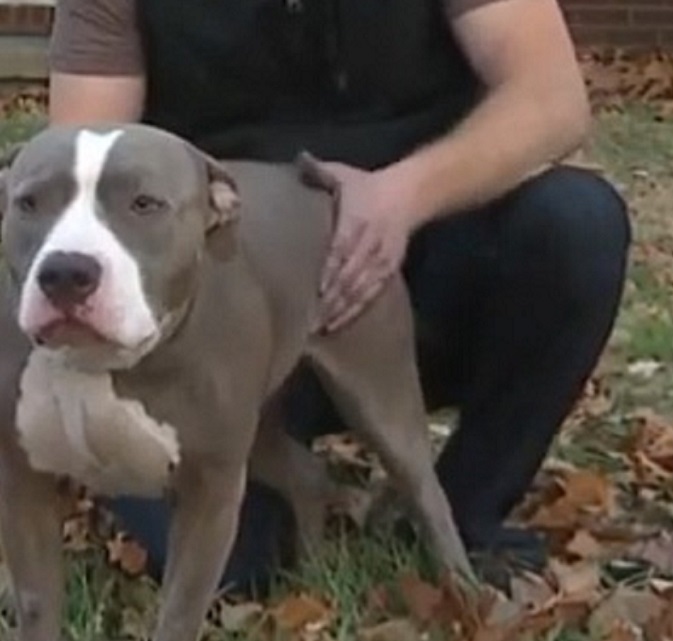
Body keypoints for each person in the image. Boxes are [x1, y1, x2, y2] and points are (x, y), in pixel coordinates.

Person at [44, 0, 631, 592]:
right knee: (236, 573)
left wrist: (398, 198)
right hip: (222, 304)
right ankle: (269, 477)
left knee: (576, 226)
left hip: (420, 267)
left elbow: (551, 98)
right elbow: (84, 171)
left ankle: (462, 509)